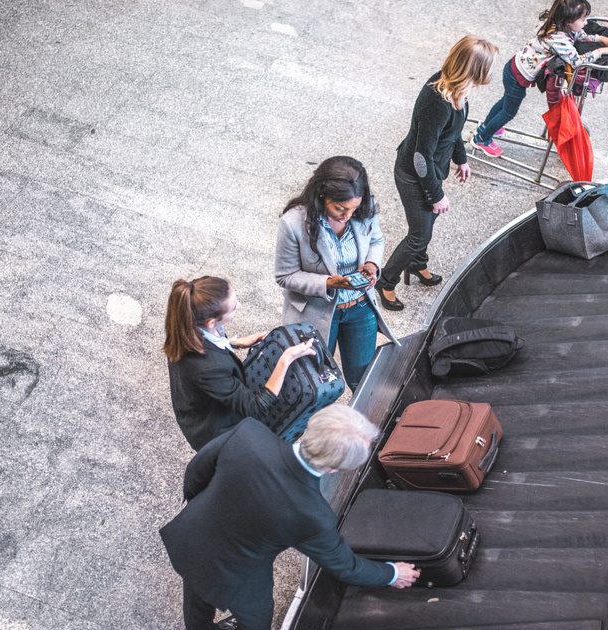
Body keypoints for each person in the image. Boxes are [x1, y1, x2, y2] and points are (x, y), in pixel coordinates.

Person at [159, 405, 420, 630]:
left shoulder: (249, 433)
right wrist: (392, 573)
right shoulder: (313, 515)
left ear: (311, 427)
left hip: (191, 535)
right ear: (335, 468)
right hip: (238, 575)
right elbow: (345, 567)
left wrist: (200, 508)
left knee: (195, 587)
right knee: (256, 618)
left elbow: (195, 471)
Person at [377, 35, 499, 312]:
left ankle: (418, 266)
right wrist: (437, 195)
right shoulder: (438, 102)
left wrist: (461, 159)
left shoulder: (457, 90)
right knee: (419, 234)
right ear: (475, 69)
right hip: (414, 175)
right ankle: (385, 282)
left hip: (433, 171)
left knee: (427, 227)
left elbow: (452, 133)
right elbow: (421, 157)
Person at [275, 156, 397, 391]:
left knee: (362, 380)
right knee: (315, 382)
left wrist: (371, 264)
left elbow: (376, 240)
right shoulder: (293, 223)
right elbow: (285, 276)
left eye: (353, 209)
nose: (347, 216)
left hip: (360, 309)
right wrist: (329, 282)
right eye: (339, 208)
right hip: (315, 312)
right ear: (322, 196)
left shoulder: (366, 207)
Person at [163, 275, 317, 451]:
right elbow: (256, 408)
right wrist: (286, 359)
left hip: (198, 408)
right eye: (234, 308)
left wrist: (234, 342)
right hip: (217, 433)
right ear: (211, 322)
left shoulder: (184, 327)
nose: (240, 306)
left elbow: (211, 346)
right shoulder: (209, 368)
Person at [471, 0, 608, 158]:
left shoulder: (559, 24)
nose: (586, 22)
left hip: (514, 67)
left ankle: (487, 127)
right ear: (569, 21)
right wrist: (602, 50)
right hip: (518, 76)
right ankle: (482, 138)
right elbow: (576, 61)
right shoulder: (558, 39)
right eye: (583, 19)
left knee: (505, 102)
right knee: (508, 112)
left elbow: (579, 36)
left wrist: (602, 39)